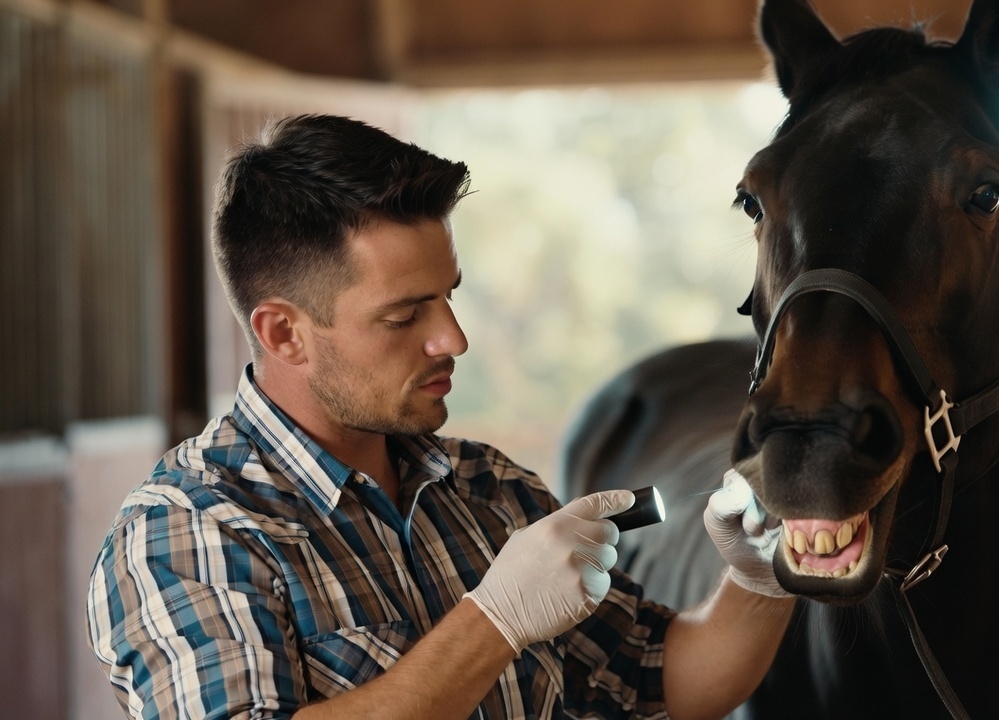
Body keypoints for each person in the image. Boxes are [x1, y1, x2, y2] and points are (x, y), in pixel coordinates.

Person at [86, 114, 795, 720]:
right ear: (283, 335)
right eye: (404, 315)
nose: (452, 339)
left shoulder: (494, 492)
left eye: (447, 296)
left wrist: (761, 575)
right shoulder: (186, 529)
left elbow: (666, 682)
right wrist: (495, 620)